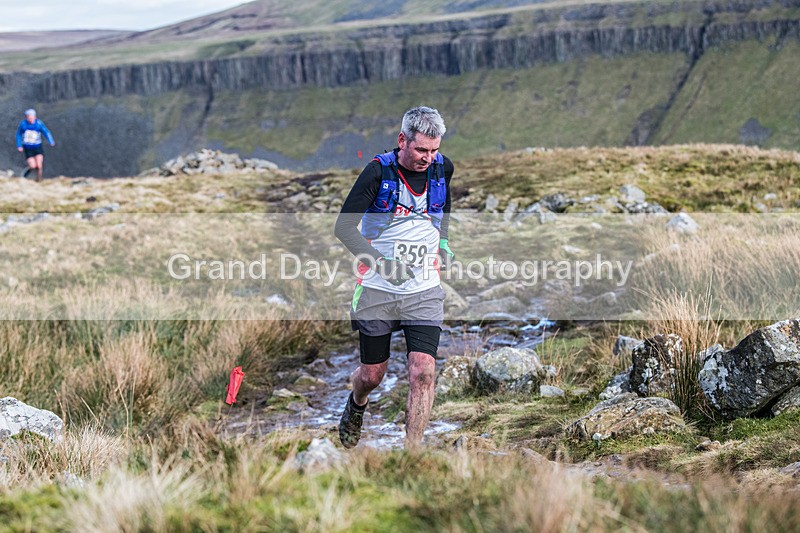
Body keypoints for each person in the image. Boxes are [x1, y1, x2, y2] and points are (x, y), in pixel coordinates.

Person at [334, 106, 456, 449]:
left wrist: (444, 242)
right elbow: (343, 228)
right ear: (402, 140)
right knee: (372, 375)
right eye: (421, 150)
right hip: (378, 289)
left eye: (434, 150)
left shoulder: (442, 168)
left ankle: (412, 453)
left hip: (424, 289)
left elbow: (443, 208)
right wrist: (382, 265)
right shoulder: (377, 173)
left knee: (423, 371)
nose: (428, 158)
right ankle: (357, 402)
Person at [16, 109, 55, 182]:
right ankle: (25, 175)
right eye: (28, 117)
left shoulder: (38, 124)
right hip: (28, 148)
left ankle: (38, 179)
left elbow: (46, 132)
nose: (30, 118)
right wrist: (19, 145)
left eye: (31, 116)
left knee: (39, 165)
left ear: (34, 117)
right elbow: (18, 135)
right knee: (33, 165)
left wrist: (51, 141)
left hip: (37, 147)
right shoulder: (23, 124)